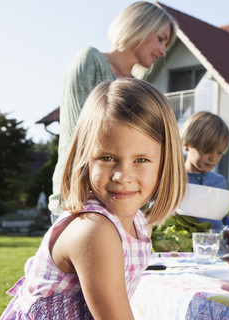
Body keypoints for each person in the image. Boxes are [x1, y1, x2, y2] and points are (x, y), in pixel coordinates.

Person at [1, 78, 187, 319]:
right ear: (86, 158)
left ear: (165, 163)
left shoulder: (139, 222)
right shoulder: (94, 230)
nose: (122, 176)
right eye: (107, 158)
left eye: (141, 160)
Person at [49, 1, 178, 222]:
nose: (163, 51)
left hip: (120, 202)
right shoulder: (90, 60)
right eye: (160, 38)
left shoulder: (137, 86)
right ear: (140, 26)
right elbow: (81, 139)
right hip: (81, 201)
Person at [180, 111, 229, 231]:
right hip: (181, 248)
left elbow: (222, 219)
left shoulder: (219, 182)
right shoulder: (172, 180)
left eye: (219, 153)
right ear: (186, 145)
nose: (213, 158)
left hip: (214, 247)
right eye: (207, 150)